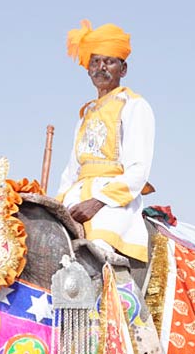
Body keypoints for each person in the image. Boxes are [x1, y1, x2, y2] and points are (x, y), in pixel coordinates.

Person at [56, 20, 155, 264]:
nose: (101, 67)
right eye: (95, 62)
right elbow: (71, 172)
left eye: (109, 61)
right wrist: (56, 205)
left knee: (96, 255)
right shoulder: (85, 114)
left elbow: (138, 170)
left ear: (123, 69)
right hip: (76, 198)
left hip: (112, 202)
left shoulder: (134, 106)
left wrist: (98, 201)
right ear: (88, 69)